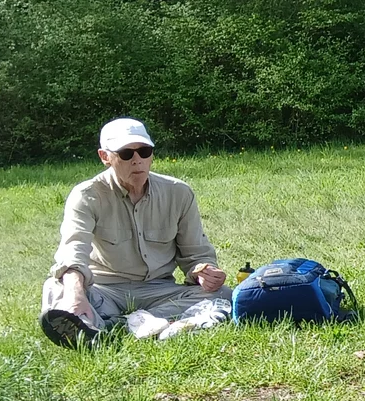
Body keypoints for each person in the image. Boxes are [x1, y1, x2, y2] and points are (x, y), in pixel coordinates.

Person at [40, 118, 232, 348]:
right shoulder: (87, 195)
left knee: (222, 293)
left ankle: (111, 326)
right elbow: (73, 249)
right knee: (57, 286)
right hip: (105, 291)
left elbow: (196, 254)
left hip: (160, 290)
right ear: (105, 157)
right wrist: (76, 293)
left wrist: (204, 273)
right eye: (126, 154)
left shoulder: (178, 193)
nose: (137, 160)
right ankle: (109, 321)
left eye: (144, 151)